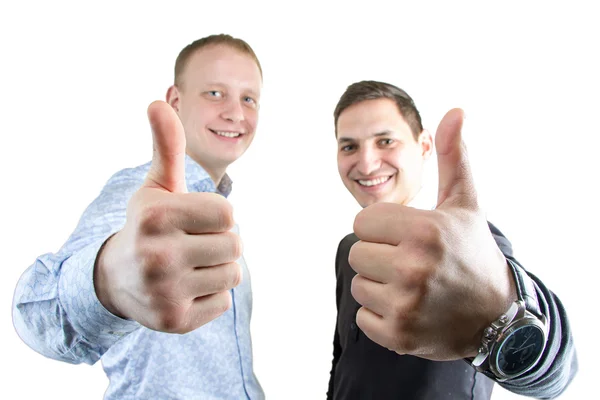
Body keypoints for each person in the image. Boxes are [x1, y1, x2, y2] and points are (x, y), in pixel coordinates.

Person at [12, 34, 265, 399]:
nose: (236, 113)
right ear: (176, 102)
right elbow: (35, 310)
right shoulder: (141, 198)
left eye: (249, 98)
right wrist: (108, 282)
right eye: (215, 93)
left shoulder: (219, 210)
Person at [327, 81, 578, 399]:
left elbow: (557, 372)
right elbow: (343, 359)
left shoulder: (468, 245)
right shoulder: (351, 249)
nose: (366, 163)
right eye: (349, 146)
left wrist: (498, 316)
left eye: (385, 141)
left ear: (424, 146)